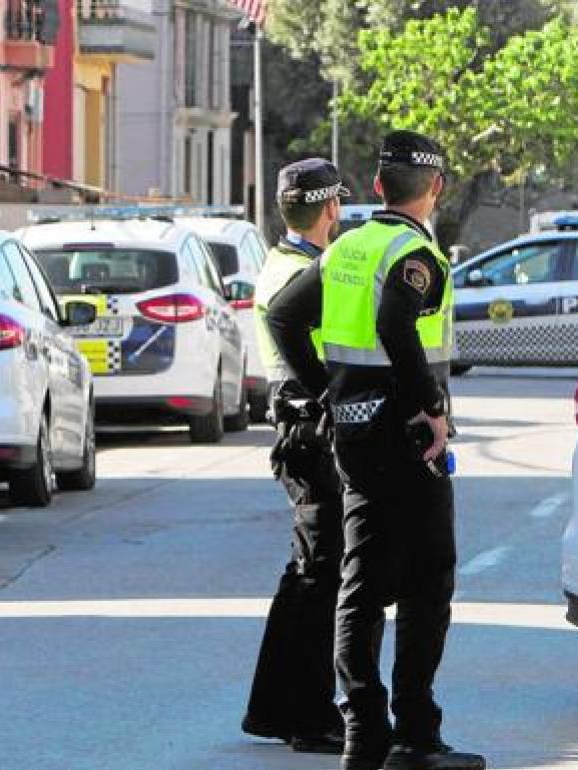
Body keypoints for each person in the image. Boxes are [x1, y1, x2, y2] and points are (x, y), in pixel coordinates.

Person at [267, 130, 485, 770]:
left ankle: (364, 735)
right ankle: (415, 734)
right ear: (435, 189)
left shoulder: (348, 248)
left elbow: (283, 317)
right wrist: (432, 406)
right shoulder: (416, 252)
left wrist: (327, 393)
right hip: (407, 435)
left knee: (359, 583)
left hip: (355, 437)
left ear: (379, 187)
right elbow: (395, 323)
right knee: (427, 581)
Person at [241, 158, 349, 754]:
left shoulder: (279, 262)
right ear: (330, 208)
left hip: (296, 433)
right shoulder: (303, 273)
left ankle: (275, 707)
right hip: (311, 434)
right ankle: (311, 717)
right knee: (321, 576)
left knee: (303, 573)